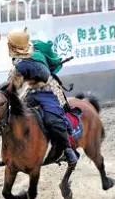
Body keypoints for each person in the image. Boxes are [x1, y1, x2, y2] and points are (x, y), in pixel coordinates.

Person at [6, 28, 78, 167]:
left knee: (53, 119)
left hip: (48, 91)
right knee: (14, 116)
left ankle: (67, 149)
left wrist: (7, 90)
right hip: (30, 91)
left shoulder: (25, 63)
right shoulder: (25, 55)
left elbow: (14, 86)